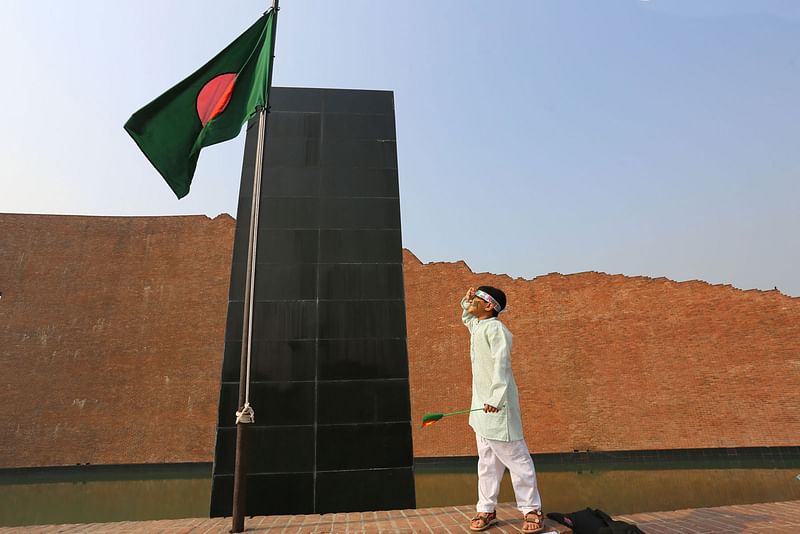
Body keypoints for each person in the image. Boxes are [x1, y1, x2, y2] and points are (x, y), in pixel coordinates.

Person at [462, 286, 544, 533]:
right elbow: (466, 316)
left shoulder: (497, 330)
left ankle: (531, 509)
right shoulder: (478, 326)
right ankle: (486, 508)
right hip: (481, 409)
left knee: (517, 459)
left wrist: (496, 398)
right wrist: (466, 300)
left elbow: (502, 366)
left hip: (498, 408)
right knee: (487, 462)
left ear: (489, 306)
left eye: (477, 299)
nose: (471, 302)